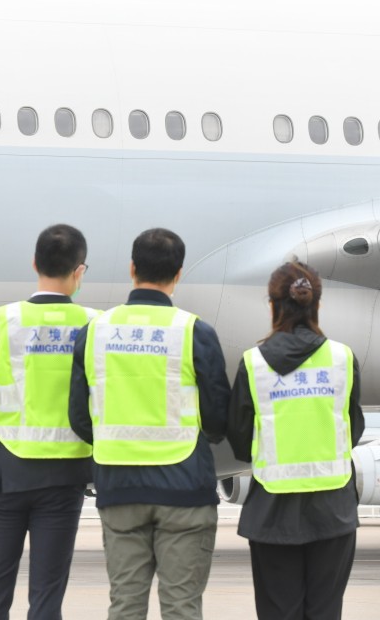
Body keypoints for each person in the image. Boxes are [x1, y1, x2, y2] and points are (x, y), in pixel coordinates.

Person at [68, 228, 231, 620]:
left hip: (119, 489)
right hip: (184, 488)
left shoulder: (95, 332)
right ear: (178, 274)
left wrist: (115, 437)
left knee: (125, 605)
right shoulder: (195, 332)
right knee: (181, 607)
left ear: (132, 269)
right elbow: (217, 419)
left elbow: (79, 418)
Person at [0, 224, 98, 620]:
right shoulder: (95, 323)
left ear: (35, 263)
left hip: (4, 473)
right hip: (65, 476)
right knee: (48, 596)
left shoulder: (0, 321)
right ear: (79, 271)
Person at [227, 262, 363, 620]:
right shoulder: (342, 358)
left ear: (272, 306)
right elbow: (355, 427)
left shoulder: (253, 364)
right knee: (324, 611)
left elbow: (240, 440)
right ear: (315, 304)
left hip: (272, 513)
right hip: (333, 509)